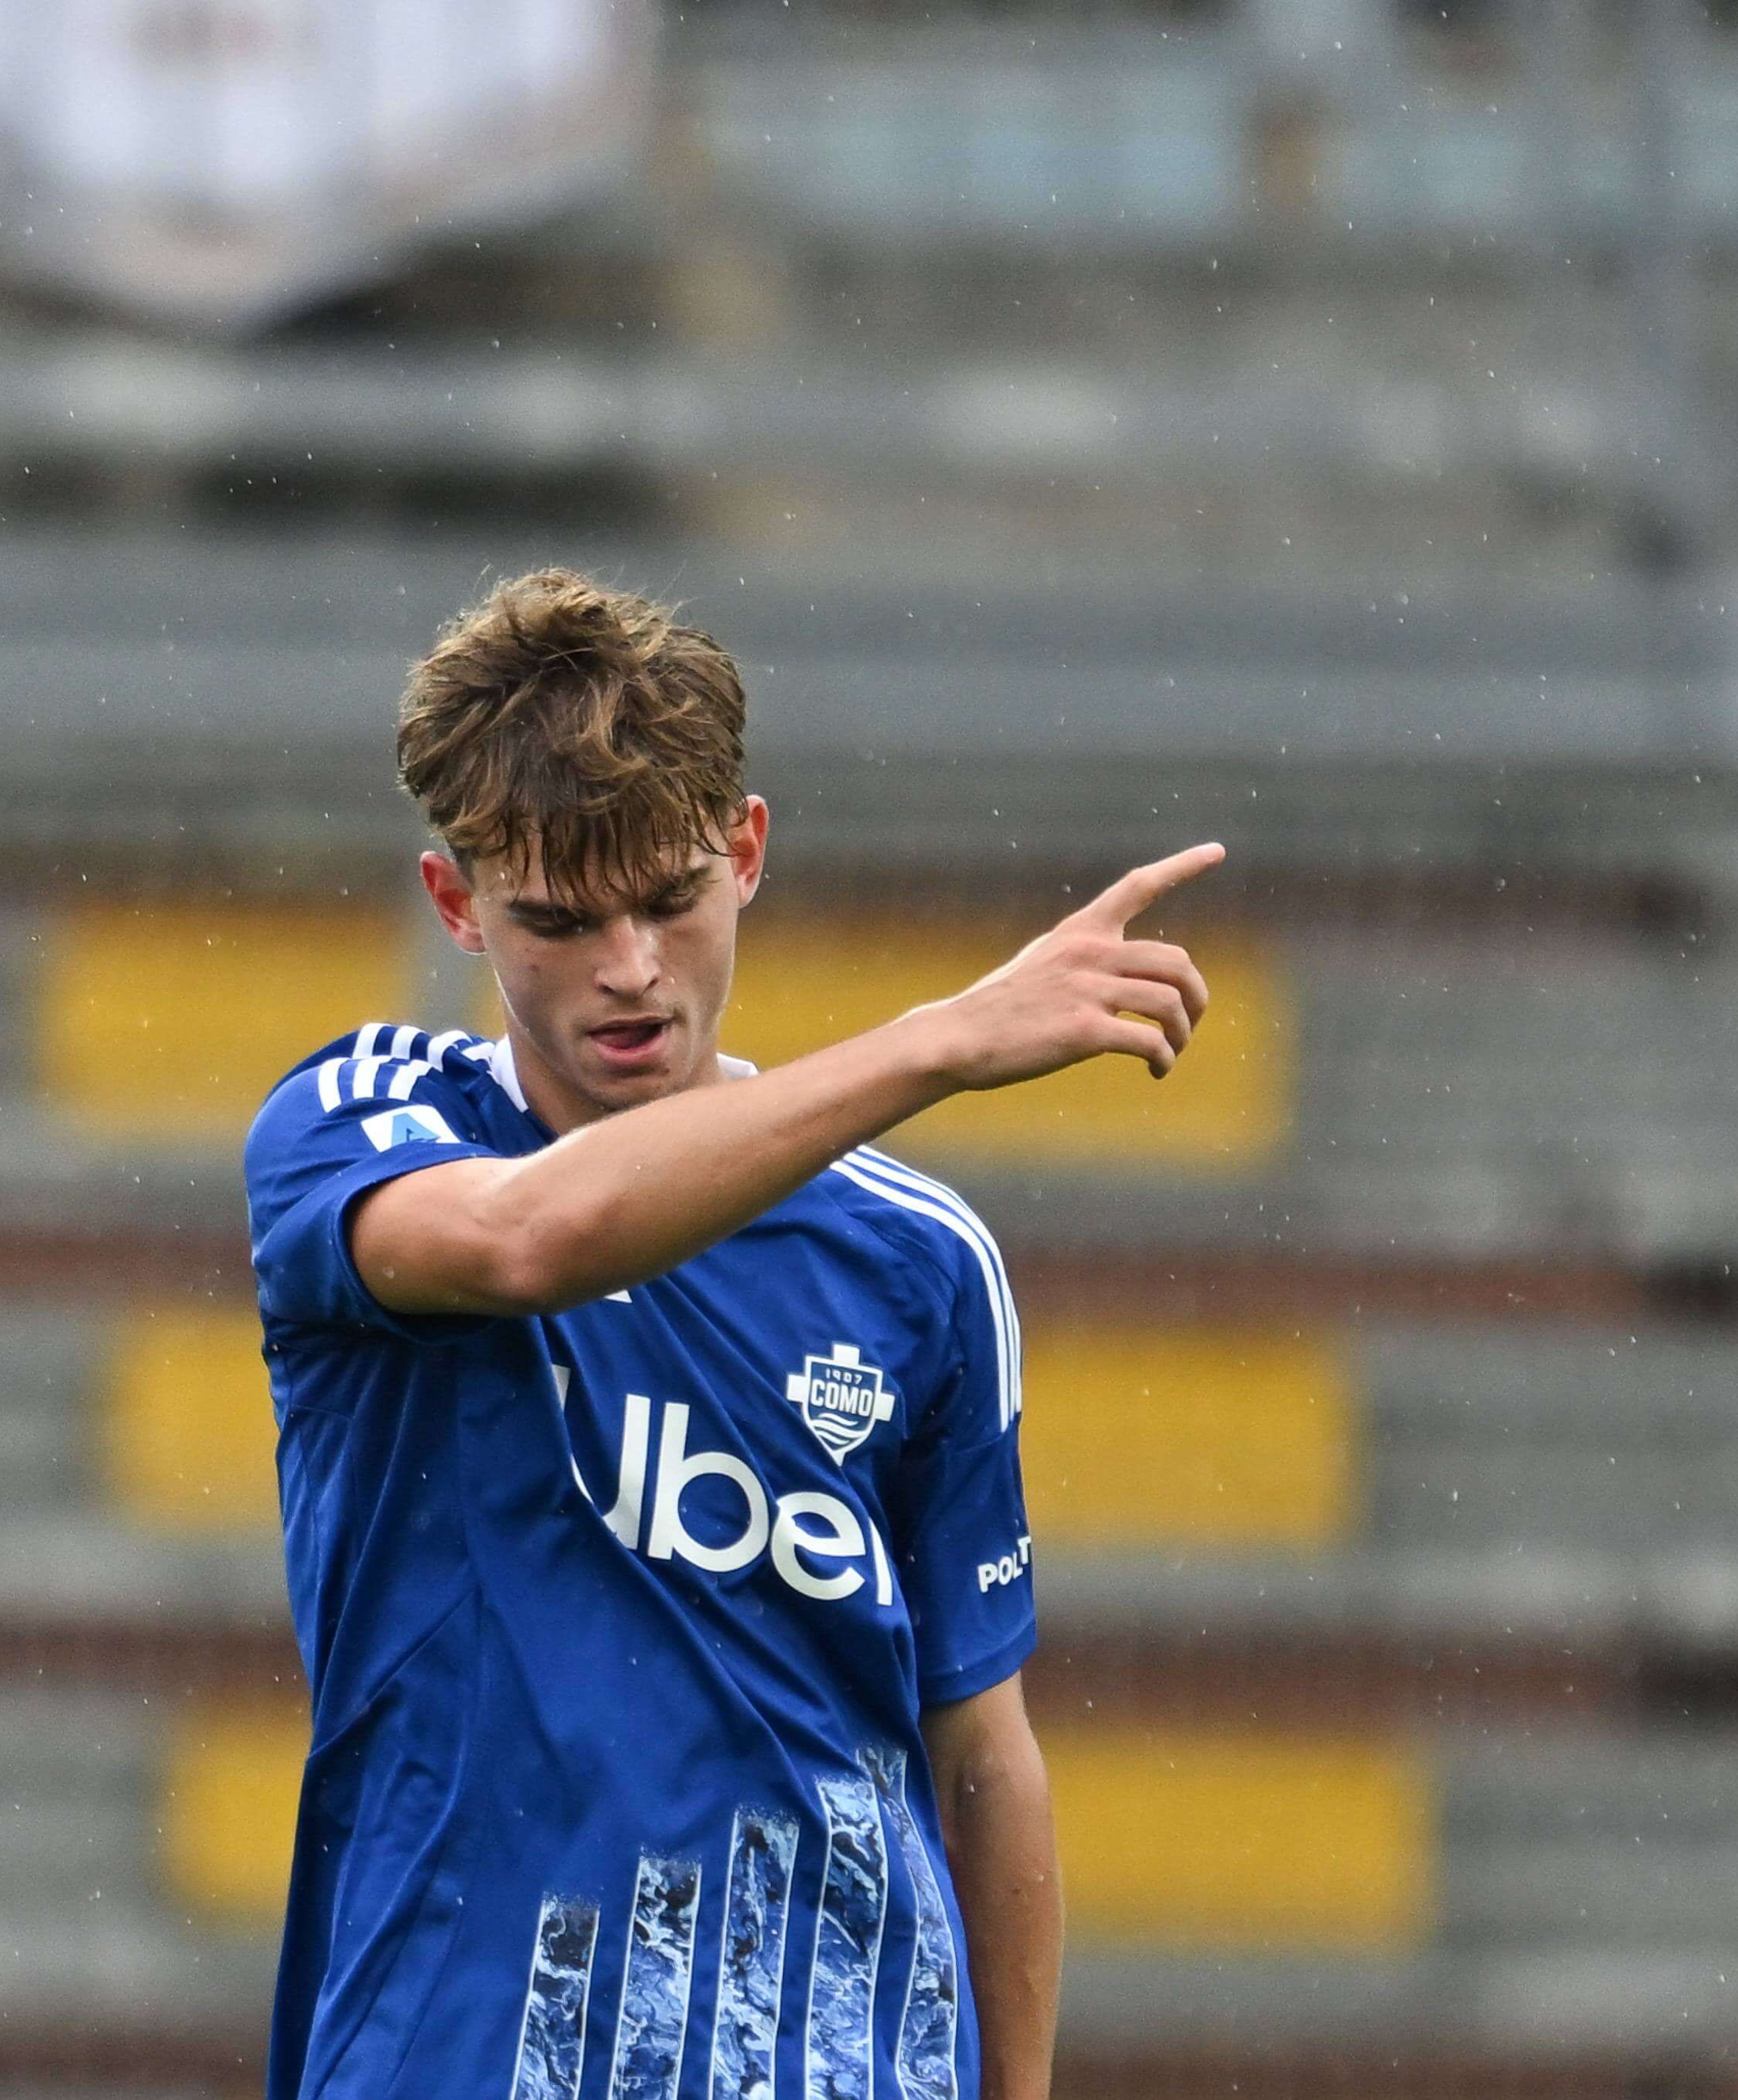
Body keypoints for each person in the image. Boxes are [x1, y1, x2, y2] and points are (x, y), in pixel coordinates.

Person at [239, 567, 1220, 2100]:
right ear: (454, 902)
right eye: (558, 920)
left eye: (668, 899)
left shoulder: (916, 1263)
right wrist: (942, 1038)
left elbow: (981, 1752)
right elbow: (530, 1237)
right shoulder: (359, 1124)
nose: (628, 969)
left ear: (745, 853)